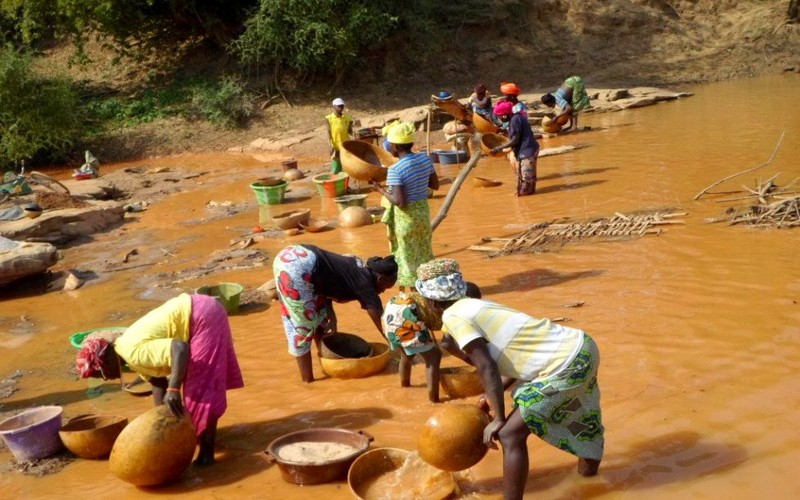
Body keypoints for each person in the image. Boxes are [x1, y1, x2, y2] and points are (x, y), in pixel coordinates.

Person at [414, 259, 604, 500]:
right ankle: (591, 479)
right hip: (582, 347)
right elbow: (512, 361)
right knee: (577, 411)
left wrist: (499, 418)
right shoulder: (476, 307)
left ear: (430, 301)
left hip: (565, 365)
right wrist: (490, 398)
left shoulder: (454, 316)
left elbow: (486, 366)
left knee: (509, 434)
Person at [75, 293, 244, 466]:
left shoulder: (133, 353)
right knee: (193, 388)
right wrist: (162, 421)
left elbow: (179, 348)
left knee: (199, 391)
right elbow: (158, 383)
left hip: (202, 315)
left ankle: (206, 456)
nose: (109, 378)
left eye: (102, 375)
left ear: (105, 362)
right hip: (200, 309)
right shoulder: (126, 351)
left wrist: (174, 390)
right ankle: (203, 438)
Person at [272, 244, 398, 383]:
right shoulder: (366, 284)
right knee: (302, 327)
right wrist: (397, 347)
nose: (383, 291)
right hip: (296, 267)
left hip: (301, 256)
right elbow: (382, 322)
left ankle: (327, 363)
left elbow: (328, 282)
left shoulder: (360, 269)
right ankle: (307, 382)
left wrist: (332, 316)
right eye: (386, 287)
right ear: (380, 279)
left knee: (320, 319)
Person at [381, 278, 482, 403]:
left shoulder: (443, 295)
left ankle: (405, 388)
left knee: (407, 355)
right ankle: (434, 401)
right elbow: (447, 343)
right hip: (407, 315)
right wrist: (469, 359)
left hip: (394, 307)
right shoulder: (454, 310)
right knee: (434, 357)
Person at [370, 122, 439, 290]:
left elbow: (400, 201)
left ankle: (414, 293)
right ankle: (429, 289)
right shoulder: (424, 159)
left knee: (407, 258)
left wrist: (380, 189)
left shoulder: (396, 170)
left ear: (395, 146)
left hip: (406, 219)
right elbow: (435, 185)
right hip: (422, 215)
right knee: (423, 253)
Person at [490, 100, 539, 196]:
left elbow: (515, 140)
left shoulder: (514, 121)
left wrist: (499, 148)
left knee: (526, 180)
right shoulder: (517, 116)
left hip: (527, 151)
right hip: (531, 148)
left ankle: (525, 199)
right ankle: (530, 193)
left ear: (505, 115)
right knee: (530, 178)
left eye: (499, 116)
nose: (499, 119)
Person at [325, 97, 354, 174]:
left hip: (345, 144)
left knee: (347, 165)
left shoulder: (347, 117)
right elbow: (328, 132)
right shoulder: (329, 118)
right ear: (334, 106)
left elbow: (349, 131)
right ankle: (337, 183)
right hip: (335, 145)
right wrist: (330, 145)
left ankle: (346, 184)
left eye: (342, 106)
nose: (341, 108)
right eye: (339, 106)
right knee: (336, 166)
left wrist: (355, 134)